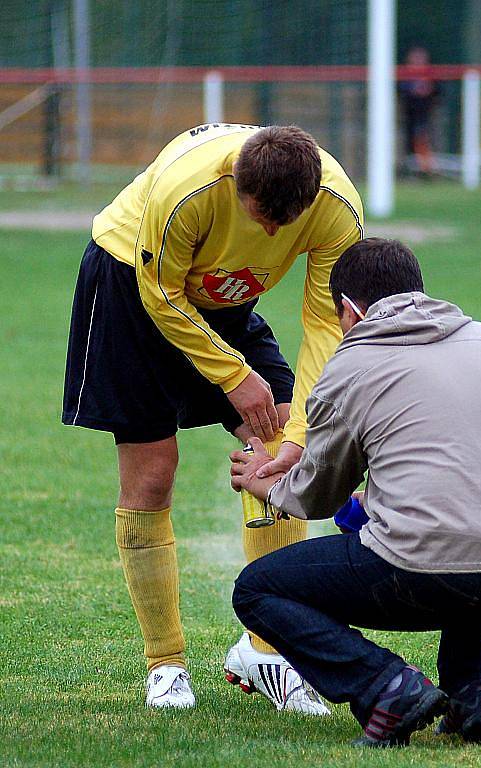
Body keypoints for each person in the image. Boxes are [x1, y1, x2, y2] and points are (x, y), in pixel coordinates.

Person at [62, 123, 363, 711]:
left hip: (222, 297)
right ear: (235, 185)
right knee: (153, 474)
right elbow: (162, 296)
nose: (272, 232)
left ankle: (269, 650)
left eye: (286, 222)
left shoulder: (337, 207)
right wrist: (235, 375)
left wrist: (301, 429)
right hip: (134, 284)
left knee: (277, 447)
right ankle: (165, 665)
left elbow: (327, 323)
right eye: (260, 218)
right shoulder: (188, 191)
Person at [230, 238, 481, 747]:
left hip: (429, 564)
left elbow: (318, 498)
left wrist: (267, 481)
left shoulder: (353, 363)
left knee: (258, 589)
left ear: (348, 309)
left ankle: (386, 685)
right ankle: (472, 692)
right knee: (465, 544)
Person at [399, 47, 439, 175]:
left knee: (423, 140)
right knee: (411, 143)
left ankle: (426, 170)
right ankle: (413, 170)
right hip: (407, 117)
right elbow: (401, 91)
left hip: (426, 117)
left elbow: (438, 92)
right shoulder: (404, 76)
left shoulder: (430, 75)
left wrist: (428, 90)